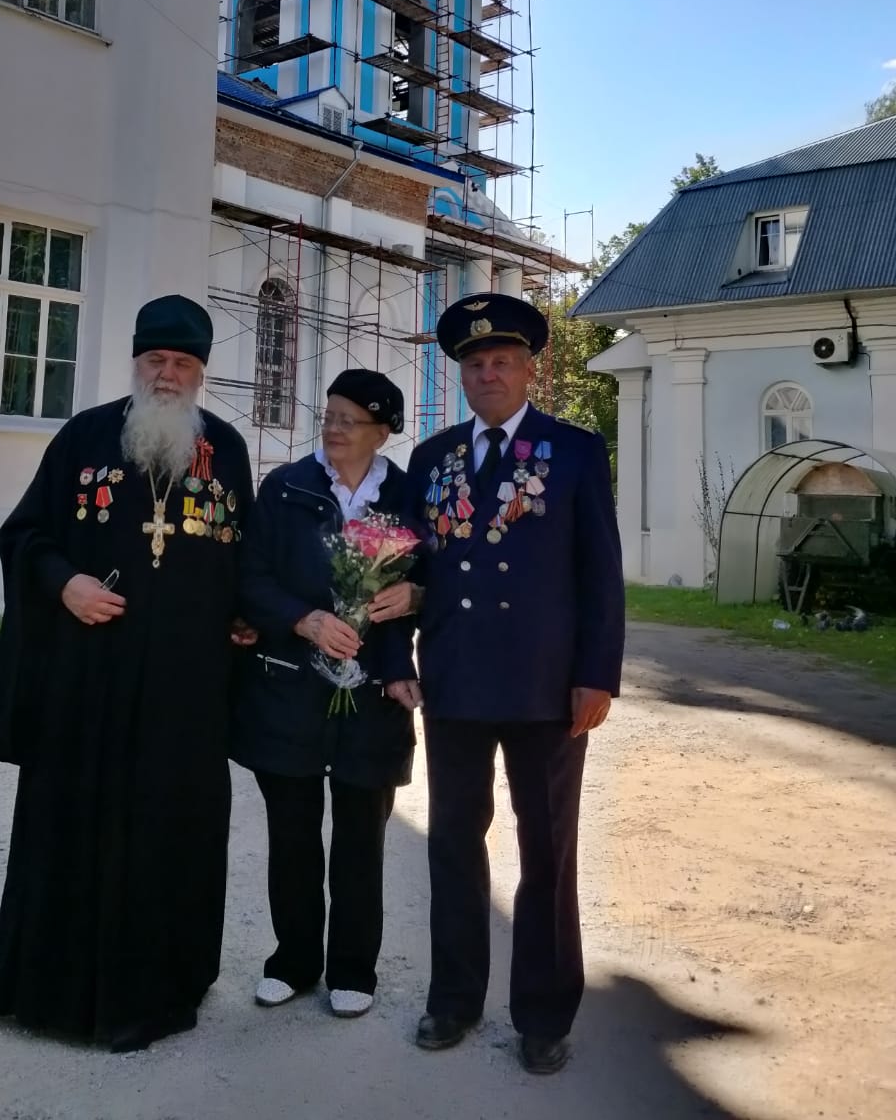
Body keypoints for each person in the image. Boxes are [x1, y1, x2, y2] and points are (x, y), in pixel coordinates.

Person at [0, 294, 255, 1053]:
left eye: (183, 363)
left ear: (201, 371)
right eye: (156, 359)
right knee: (76, 825)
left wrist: (250, 615)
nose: (168, 374)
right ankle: (54, 997)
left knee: (171, 833)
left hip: (183, 694)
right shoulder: (84, 436)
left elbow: (249, 559)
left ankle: (161, 990)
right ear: (137, 362)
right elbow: (24, 535)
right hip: (87, 684)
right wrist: (64, 582)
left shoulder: (227, 450)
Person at [387, 294, 624, 1074]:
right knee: (453, 842)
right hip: (456, 678)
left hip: (546, 687)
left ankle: (545, 1012)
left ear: (529, 371)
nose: (487, 373)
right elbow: (403, 568)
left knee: (547, 847)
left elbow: (601, 574)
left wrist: (596, 674)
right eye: (475, 364)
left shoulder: (575, 451)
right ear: (461, 376)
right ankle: (454, 998)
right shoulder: (434, 458)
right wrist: (395, 653)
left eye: (502, 361)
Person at [231, 369, 417, 1020]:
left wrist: (416, 595)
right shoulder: (286, 487)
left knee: (362, 837)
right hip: (290, 688)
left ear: (381, 432)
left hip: (373, 694)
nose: (333, 429)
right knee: (292, 833)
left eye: (349, 420)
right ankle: (293, 959)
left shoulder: (406, 494)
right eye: (329, 415)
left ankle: (353, 969)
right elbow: (250, 577)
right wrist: (303, 619)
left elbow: (438, 578)